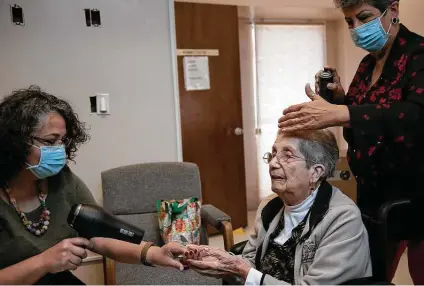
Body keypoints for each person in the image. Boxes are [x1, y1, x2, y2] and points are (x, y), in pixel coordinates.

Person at [278, 0, 424, 283]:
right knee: (369, 277)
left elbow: (415, 117)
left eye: (364, 17)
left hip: (417, 195)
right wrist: (339, 101)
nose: (356, 28)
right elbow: (361, 126)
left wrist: (343, 112)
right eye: (349, 22)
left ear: (392, 10)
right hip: (375, 197)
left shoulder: (419, 55)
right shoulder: (368, 65)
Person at [0, 86, 186, 285]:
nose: (59, 150)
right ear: (15, 142)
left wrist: (154, 253)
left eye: (62, 141)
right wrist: (44, 262)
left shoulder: (61, 180)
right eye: (50, 141)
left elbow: (99, 237)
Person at [184, 129, 372, 285]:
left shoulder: (342, 218)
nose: (273, 163)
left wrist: (243, 271)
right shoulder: (270, 206)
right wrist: (221, 263)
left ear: (315, 172)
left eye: (287, 156)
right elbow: (252, 261)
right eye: (273, 154)